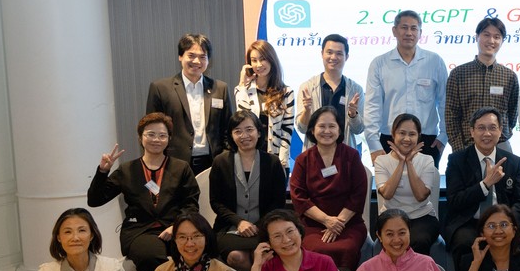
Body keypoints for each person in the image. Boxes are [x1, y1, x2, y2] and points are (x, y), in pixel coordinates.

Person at [87, 112, 199, 271]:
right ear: (140, 137)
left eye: (162, 135)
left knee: (202, 250)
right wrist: (103, 171)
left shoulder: (181, 168)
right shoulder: (127, 170)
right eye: (150, 134)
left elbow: (191, 204)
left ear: (169, 138)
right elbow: (95, 200)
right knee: (151, 256)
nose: (156, 139)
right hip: (140, 231)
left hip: (175, 228)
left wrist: (177, 226)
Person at [444, 107, 520, 271]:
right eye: (481, 128)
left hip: (503, 222)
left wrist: (508, 223)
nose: (487, 133)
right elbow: (455, 200)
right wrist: (485, 184)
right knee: (463, 242)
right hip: (469, 222)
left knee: (512, 241)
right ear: (472, 131)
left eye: (492, 128)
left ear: (500, 131)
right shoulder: (457, 160)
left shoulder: (513, 161)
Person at [289, 106, 369, 271]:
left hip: (348, 224)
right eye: (322, 126)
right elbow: (299, 197)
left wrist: (336, 224)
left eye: (332, 126)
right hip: (313, 225)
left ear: (339, 130)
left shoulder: (352, 156)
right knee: (316, 250)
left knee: (347, 249)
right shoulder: (303, 160)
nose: (327, 131)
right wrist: (326, 220)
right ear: (312, 130)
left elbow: (358, 194)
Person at [365, 10, 449, 167]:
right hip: (389, 140)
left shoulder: (435, 62)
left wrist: (443, 137)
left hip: (427, 140)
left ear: (420, 33)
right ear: (394, 31)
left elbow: (445, 102)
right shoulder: (379, 64)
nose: (409, 33)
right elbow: (372, 106)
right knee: (390, 183)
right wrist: (374, 144)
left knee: (425, 184)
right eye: (404, 27)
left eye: (414, 28)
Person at [210, 109, 288, 271]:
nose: (244, 135)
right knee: (236, 257)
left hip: (265, 227)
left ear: (259, 132)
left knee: (261, 255)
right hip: (230, 228)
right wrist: (239, 222)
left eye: (249, 129)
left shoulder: (272, 162)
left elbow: (278, 202)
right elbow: (216, 202)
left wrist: (259, 225)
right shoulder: (220, 162)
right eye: (237, 131)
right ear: (231, 135)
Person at [146, 33, 233, 173]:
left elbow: (228, 128)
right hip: (174, 164)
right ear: (180, 56)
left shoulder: (220, 88)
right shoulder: (160, 88)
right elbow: (151, 129)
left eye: (202, 57)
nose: (197, 61)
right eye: (191, 55)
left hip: (213, 163)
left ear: (208, 60)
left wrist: (225, 156)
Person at [445, 16, 520, 151]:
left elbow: (512, 115)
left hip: (500, 145)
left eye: (497, 37)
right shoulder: (458, 74)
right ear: (477, 37)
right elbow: (451, 115)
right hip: (466, 145)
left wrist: (503, 134)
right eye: (486, 35)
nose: (491, 41)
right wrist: (459, 148)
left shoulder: (509, 76)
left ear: (502, 41)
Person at [373, 113, 441, 255]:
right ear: (393, 134)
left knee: (419, 240)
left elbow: (421, 195)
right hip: (391, 216)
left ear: (418, 136)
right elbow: (387, 194)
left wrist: (409, 162)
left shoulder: (427, 160)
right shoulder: (381, 161)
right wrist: (401, 162)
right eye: (402, 133)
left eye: (412, 134)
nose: (407, 139)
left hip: (422, 216)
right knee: (392, 239)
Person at [295, 34, 366, 155]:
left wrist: (353, 114)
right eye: (329, 52)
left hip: (345, 156)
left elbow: (359, 129)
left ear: (346, 57)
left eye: (339, 53)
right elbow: (302, 128)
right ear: (322, 54)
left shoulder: (355, 90)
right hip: (315, 156)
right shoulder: (307, 87)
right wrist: (307, 110)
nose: (333, 57)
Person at [235, 39, 295, 168]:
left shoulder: (286, 92)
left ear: (271, 60)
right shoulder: (242, 90)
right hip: (249, 160)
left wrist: (281, 162)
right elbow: (241, 120)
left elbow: (287, 130)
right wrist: (242, 84)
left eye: (263, 59)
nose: (258, 64)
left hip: (277, 160)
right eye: (254, 60)